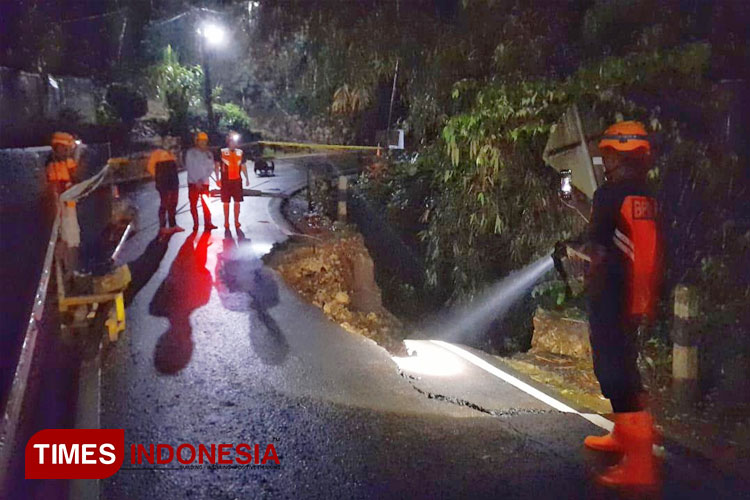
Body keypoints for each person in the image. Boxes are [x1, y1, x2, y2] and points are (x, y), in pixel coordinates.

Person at [578, 121, 662, 488]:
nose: (605, 161)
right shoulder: (647, 194)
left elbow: (596, 248)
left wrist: (584, 263)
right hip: (636, 294)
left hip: (611, 295)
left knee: (616, 373)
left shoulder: (609, 195)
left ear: (621, 154)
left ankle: (639, 465)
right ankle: (624, 436)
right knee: (624, 367)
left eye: (609, 154)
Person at [46, 131, 81, 273]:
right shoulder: (54, 167)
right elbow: (57, 191)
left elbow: (76, 176)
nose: (68, 151)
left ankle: (70, 272)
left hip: (70, 207)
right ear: (57, 147)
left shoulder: (67, 162)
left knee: (72, 240)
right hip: (63, 209)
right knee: (67, 240)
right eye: (65, 148)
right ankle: (67, 273)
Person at [147, 136, 184, 236]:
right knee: (164, 204)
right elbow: (150, 167)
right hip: (163, 184)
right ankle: (163, 227)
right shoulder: (157, 154)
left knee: (173, 204)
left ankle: (173, 225)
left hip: (173, 183)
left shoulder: (171, 154)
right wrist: (159, 178)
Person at [215, 131, 249, 230]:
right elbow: (217, 166)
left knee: (237, 202)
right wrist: (217, 179)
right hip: (226, 181)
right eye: (231, 142)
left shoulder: (240, 152)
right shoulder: (222, 152)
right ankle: (226, 221)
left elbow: (243, 166)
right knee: (226, 203)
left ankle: (236, 221)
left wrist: (247, 178)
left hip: (237, 181)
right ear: (228, 142)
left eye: (234, 142)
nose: (233, 144)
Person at [184, 131, 217, 231]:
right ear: (196, 142)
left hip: (205, 183)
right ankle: (196, 224)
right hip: (192, 183)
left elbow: (211, 168)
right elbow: (189, 167)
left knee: (206, 203)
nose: (203, 143)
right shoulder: (190, 153)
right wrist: (196, 180)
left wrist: (202, 180)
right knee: (193, 204)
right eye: (200, 141)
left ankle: (208, 223)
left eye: (204, 141)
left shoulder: (208, 154)